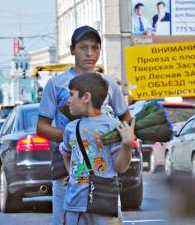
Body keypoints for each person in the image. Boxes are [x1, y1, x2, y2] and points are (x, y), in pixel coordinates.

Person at [37, 25, 131, 225]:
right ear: (72, 50)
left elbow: (126, 120)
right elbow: (42, 127)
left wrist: (125, 140)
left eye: (95, 48)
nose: (90, 53)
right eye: (83, 47)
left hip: (103, 172)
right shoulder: (56, 84)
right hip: (67, 169)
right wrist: (76, 136)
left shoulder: (108, 84)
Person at [60, 72, 135, 224]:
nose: (68, 100)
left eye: (72, 95)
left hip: (104, 203)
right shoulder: (70, 129)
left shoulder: (112, 126)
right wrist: (74, 173)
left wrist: (127, 145)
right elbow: (66, 154)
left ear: (86, 97)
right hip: (74, 204)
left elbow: (120, 167)